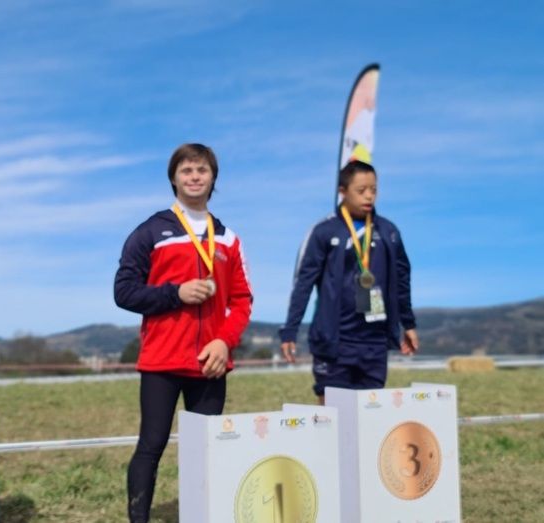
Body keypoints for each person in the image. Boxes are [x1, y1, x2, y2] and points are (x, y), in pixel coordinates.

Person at [114, 143, 253, 522]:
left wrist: (225, 342)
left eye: (202, 170)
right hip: (162, 361)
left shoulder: (228, 239)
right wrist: (175, 293)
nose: (194, 176)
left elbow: (241, 300)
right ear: (173, 178)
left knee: (208, 450)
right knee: (151, 446)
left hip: (210, 364)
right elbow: (123, 291)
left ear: (213, 178)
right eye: (186, 170)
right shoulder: (151, 232)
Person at [279, 160, 418, 404]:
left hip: (374, 342)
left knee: (370, 419)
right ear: (342, 191)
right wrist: (290, 329)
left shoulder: (389, 232)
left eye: (374, 190)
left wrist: (408, 324)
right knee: (331, 419)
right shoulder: (323, 231)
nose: (369, 196)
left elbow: (402, 280)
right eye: (361, 190)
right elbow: (303, 282)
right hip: (334, 342)